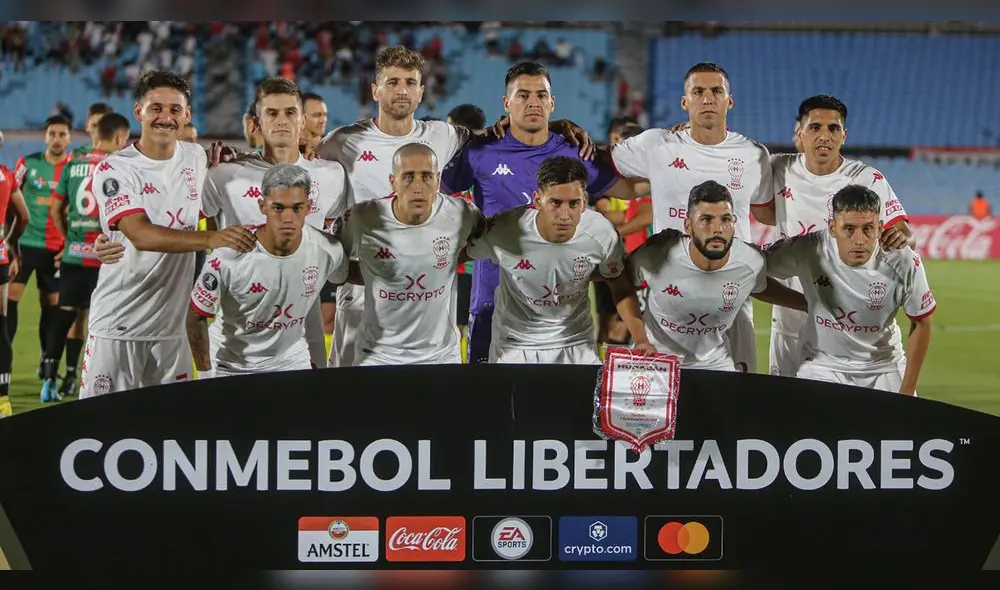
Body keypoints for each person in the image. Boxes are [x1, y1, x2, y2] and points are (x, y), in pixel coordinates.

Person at [319, 48, 591, 369]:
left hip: (429, 301)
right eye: (392, 82)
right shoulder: (340, 142)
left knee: (431, 403)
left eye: (410, 82)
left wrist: (554, 124)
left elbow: (502, 134)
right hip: (363, 296)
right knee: (355, 403)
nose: (402, 90)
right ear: (375, 90)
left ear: (421, 92)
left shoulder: (443, 135)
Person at [96, 77, 349, 370]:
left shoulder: (332, 176)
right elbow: (171, 212)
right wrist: (111, 238)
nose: (282, 121)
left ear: (303, 120)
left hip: (303, 333)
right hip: (234, 339)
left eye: (290, 113)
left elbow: (345, 234)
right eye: (272, 113)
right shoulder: (223, 174)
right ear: (255, 123)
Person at [79, 70, 256, 398]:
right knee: (98, 429)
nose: (165, 117)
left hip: (172, 333)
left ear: (186, 115)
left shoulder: (195, 157)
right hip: (119, 326)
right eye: (155, 108)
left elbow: (195, 210)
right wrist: (211, 239)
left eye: (175, 110)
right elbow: (141, 234)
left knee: (166, 437)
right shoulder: (115, 168)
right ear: (138, 112)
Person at [440, 62, 615, 365]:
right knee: (488, 399)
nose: (533, 102)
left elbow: (633, 185)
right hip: (491, 298)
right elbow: (436, 194)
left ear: (552, 102)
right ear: (506, 103)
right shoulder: (481, 151)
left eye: (541, 95)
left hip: (561, 317)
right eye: (522, 95)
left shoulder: (576, 151)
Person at [605, 62, 774, 374]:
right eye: (698, 91)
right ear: (685, 102)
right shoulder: (658, 145)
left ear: (729, 100)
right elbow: (602, 165)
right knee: (662, 401)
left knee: (738, 395)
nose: (707, 98)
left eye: (716, 91)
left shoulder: (753, 154)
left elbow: (768, 211)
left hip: (732, 296)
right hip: (668, 294)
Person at [763, 95, 914, 378]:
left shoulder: (867, 178)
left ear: (844, 136)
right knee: (785, 409)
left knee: (841, 411)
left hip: (846, 321)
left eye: (833, 129)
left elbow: (904, 234)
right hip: (790, 316)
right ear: (800, 133)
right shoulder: (777, 168)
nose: (824, 136)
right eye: (815, 127)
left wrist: (901, 239)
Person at [464, 156, 643, 364]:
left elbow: (620, 287)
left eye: (574, 204)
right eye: (555, 203)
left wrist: (641, 340)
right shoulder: (505, 229)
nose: (565, 215)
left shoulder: (601, 234)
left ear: (584, 202)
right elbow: (451, 257)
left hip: (576, 344)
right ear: (538, 200)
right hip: (515, 345)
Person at [610, 180, 806, 371]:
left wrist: (809, 303)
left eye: (725, 219)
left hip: (714, 363)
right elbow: (621, 283)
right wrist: (640, 340)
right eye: (706, 220)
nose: (717, 229)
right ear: (688, 226)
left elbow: (761, 286)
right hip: (658, 359)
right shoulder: (657, 255)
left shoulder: (750, 261)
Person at [764, 185, 935, 395]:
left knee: (901, 427)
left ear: (880, 228)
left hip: (884, 365)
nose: (859, 240)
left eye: (868, 229)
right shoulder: (808, 249)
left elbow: (921, 321)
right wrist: (802, 302)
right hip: (823, 364)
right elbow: (751, 269)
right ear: (832, 227)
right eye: (849, 229)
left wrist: (908, 388)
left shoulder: (903, 261)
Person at [188, 164, 348, 377]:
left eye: (297, 207)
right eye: (278, 208)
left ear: (309, 207)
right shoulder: (229, 253)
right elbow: (195, 317)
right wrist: (206, 376)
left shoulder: (328, 249)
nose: (288, 217)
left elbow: (347, 275)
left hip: (291, 362)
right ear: (263, 206)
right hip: (231, 365)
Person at [332, 143, 483, 366]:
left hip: (440, 356)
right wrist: (375, 274)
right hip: (377, 356)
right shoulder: (361, 218)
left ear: (438, 181)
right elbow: (333, 265)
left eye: (426, 176)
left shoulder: (462, 213)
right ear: (393, 182)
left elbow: (485, 242)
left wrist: (442, 264)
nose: (418, 187)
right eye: (409, 177)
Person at [40, 112, 131, 402]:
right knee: (104, 321)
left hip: (74, 256)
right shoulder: (118, 165)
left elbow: (56, 209)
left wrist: (70, 239)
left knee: (65, 314)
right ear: (119, 138)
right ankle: (95, 382)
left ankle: (50, 380)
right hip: (107, 258)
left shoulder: (73, 164)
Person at [10, 114, 73, 377]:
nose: (56, 139)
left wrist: (69, 244)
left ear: (69, 137)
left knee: (51, 307)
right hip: (24, 246)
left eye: (62, 134)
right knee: (9, 301)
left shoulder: (74, 168)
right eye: (52, 134)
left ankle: (46, 364)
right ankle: (5, 361)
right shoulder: (27, 164)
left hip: (56, 248)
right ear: (44, 136)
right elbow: (10, 202)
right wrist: (9, 241)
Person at [445, 103, 486, 361]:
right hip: (475, 262)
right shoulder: (485, 161)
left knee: (459, 328)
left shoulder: (459, 167)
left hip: (462, 265)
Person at [0, 160, 30, 416]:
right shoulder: (5, 174)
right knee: (1, 326)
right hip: (0, 257)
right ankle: (3, 400)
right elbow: (23, 216)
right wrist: (10, 245)